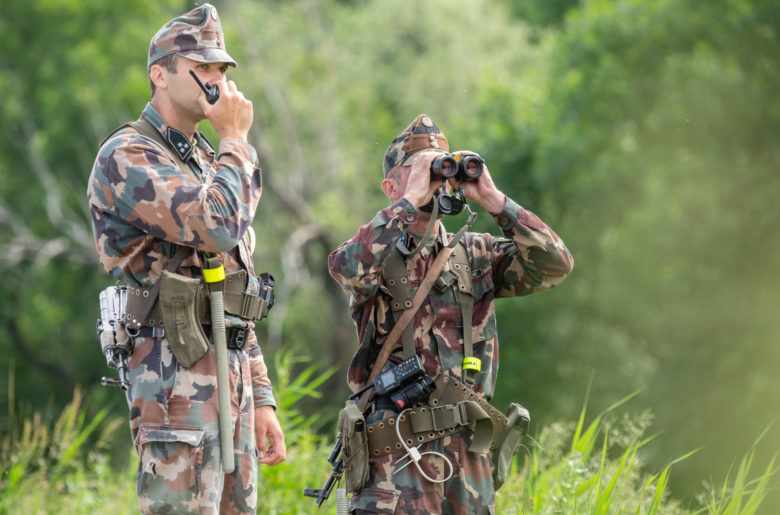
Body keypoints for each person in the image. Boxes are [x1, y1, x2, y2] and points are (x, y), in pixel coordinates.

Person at [87, 4, 285, 514]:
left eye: (222, 69)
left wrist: (260, 396)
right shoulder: (129, 155)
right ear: (160, 74)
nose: (217, 80)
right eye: (203, 68)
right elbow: (217, 227)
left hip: (230, 373)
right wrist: (237, 141)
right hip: (174, 380)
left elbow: (232, 282)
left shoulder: (204, 156)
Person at [328, 114, 574, 514]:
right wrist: (411, 200)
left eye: (443, 168)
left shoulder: (477, 253)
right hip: (395, 467)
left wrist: (494, 200)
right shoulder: (375, 252)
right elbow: (349, 268)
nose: (439, 180)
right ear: (391, 187)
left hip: (468, 469)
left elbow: (555, 265)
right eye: (423, 170)